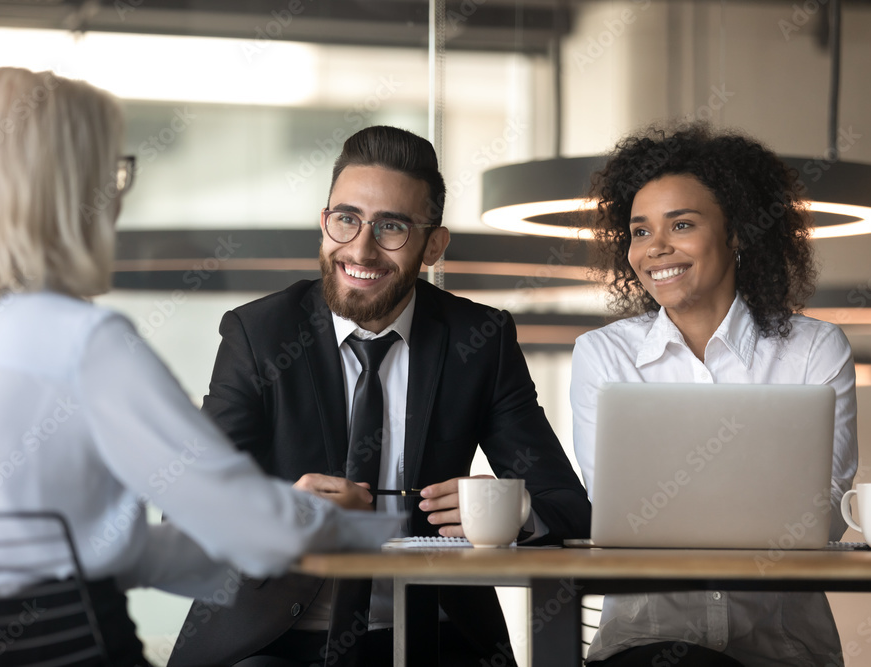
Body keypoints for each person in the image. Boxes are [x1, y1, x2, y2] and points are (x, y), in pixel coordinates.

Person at [0, 67, 395, 666]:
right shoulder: (83, 343)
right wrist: (342, 523)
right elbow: (250, 526)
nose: (118, 193)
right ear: (69, 191)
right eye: (111, 170)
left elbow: (89, 550)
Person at [167, 125, 592, 667]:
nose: (361, 249)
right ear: (325, 223)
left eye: (391, 227)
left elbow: (570, 510)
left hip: (435, 635)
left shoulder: (478, 340)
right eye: (346, 219)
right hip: (275, 639)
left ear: (433, 244)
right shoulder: (259, 335)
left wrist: (514, 511)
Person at [570, 124, 858, 667]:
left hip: (783, 650)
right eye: (639, 231)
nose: (655, 247)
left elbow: (824, 515)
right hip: (646, 648)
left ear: (738, 233)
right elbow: (619, 516)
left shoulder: (816, 348)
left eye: (681, 224)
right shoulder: (603, 355)